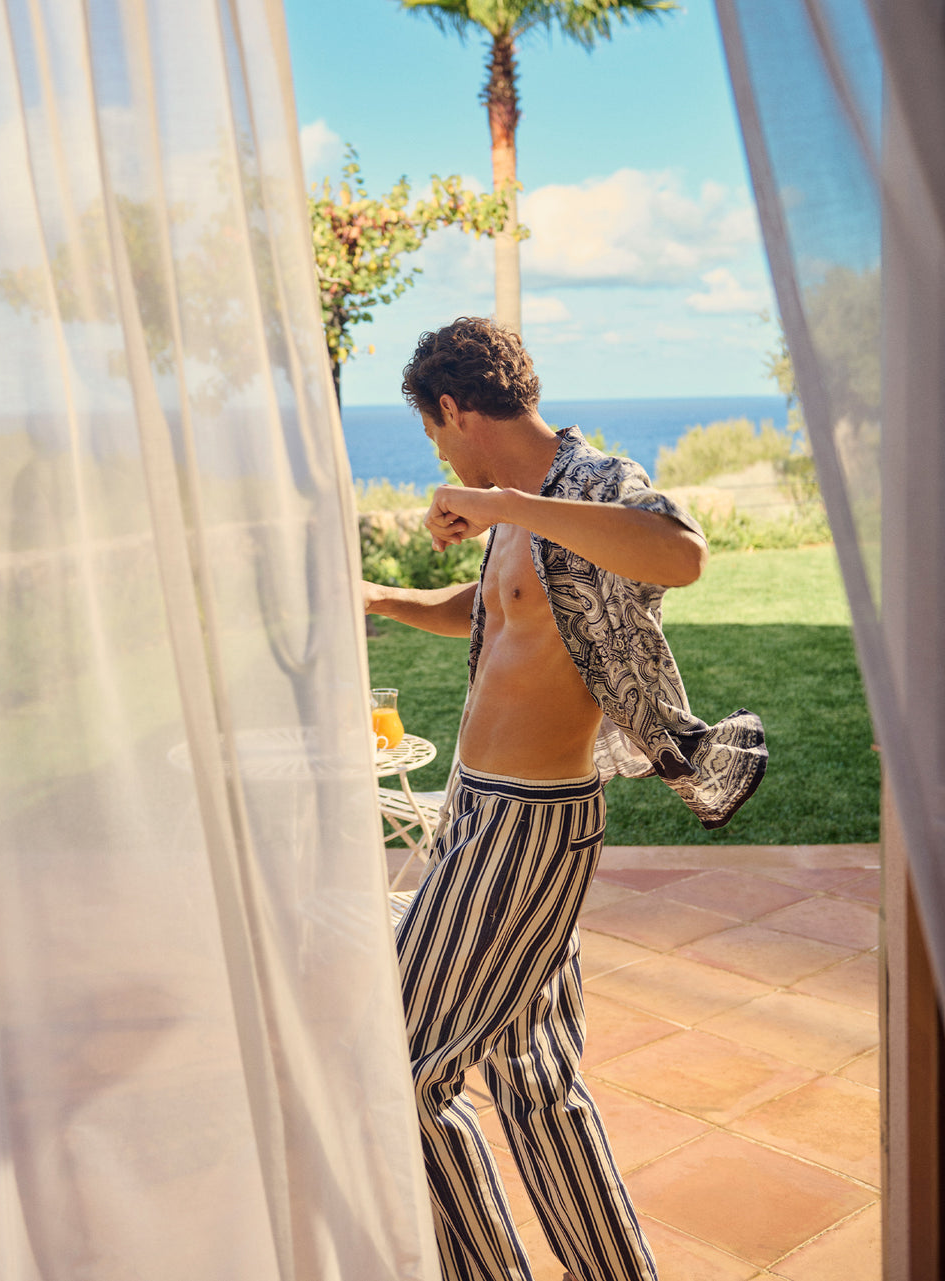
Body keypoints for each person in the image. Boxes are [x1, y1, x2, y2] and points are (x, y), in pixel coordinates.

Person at [363, 317, 767, 1281]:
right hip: (477, 808)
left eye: (433, 431)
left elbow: (682, 551)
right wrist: (377, 597)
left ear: (454, 409)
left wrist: (503, 501)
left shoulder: (586, 483)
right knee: (535, 1081)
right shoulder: (530, 511)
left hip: (528, 825)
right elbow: (495, 606)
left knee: (395, 1066)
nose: (440, 453)